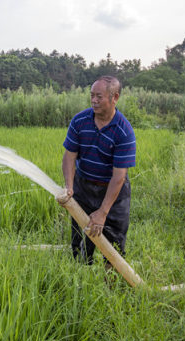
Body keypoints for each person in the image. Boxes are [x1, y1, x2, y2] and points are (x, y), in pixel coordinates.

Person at [56, 76, 136, 271]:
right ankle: (81, 280)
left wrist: (103, 212)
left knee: (114, 243)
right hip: (83, 187)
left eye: (99, 97)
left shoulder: (124, 131)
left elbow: (119, 177)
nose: (94, 100)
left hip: (113, 192)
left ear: (114, 97)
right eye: (92, 96)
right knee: (80, 240)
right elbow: (69, 156)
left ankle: (111, 287)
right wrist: (69, 186)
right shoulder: (80, 121)